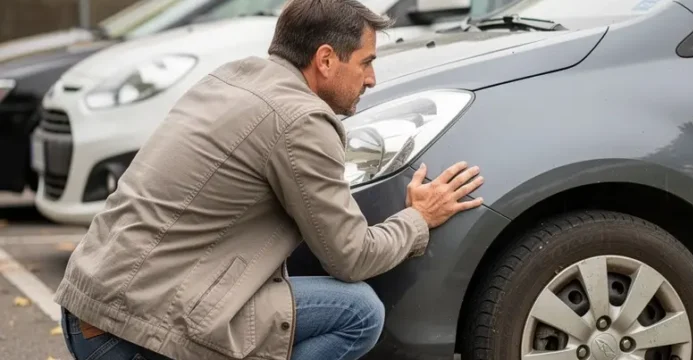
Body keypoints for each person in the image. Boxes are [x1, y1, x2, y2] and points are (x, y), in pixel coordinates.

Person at [53, 0, 485, 359]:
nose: (372, 79)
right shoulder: (301, 120)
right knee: (358, 312)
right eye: (366, 62)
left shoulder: (231, 78)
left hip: (89, 304)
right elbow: (352, 257)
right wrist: (417, 219)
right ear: (326, 60)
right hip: (130, 333)